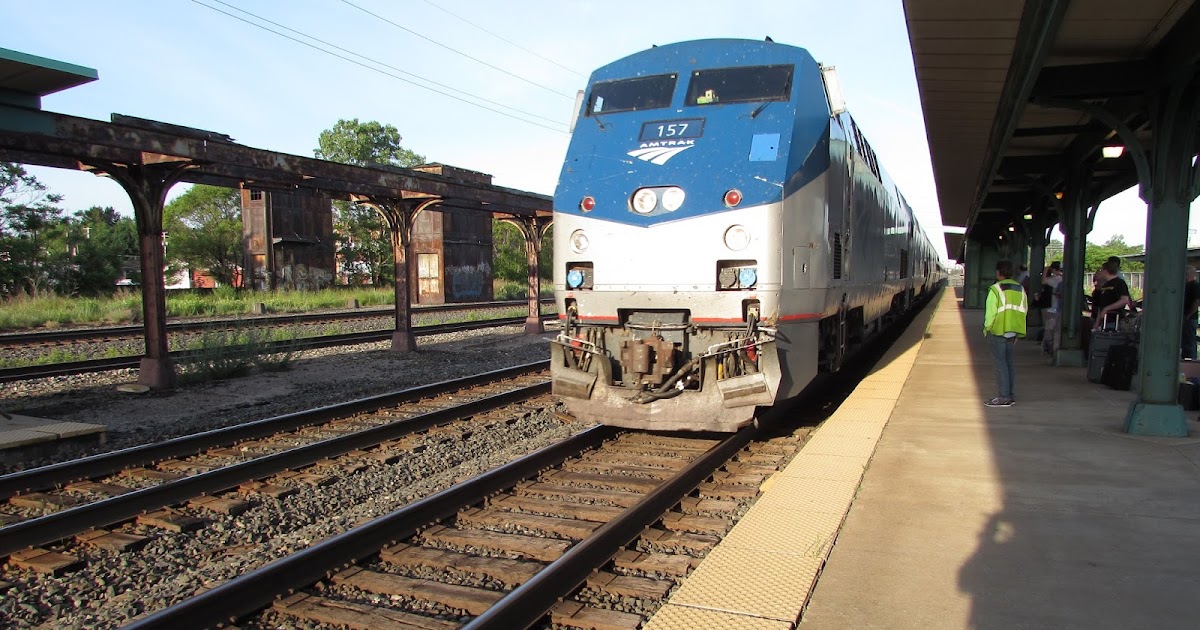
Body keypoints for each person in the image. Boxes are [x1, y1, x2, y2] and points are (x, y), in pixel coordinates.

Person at [984, 260, 1028, 407]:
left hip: (998, 330)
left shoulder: (995, 289)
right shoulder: (1020, 289)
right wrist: (1018, 332)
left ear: (998, 272)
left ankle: (1003, 397)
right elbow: (1024, 310)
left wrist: (987, 328)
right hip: (1013, 331)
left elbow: (990, 313)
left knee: (1000, 364)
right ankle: (1010, 395)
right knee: (1009, 364)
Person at [1092, 259, 1132, 331]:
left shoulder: (1120, 283)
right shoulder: (1105, 285)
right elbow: (1101, 306)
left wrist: (1107, 308)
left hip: (1115, 319)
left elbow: (1124, 300)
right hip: (1104, 320)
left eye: (1101, 270)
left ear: (1105, 271)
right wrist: (1097, 323)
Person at [1041, 261, 1063, 355]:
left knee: (1050, 330)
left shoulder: (1057, 278)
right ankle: (1054, 349)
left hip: (1055, 309)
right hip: (1060, 308)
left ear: (1053, 269)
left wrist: (1045, 270)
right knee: (1057, 331)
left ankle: (1051, 349)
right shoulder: (1063, 278)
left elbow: (1043, 281)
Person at [1183, 266, 1199, 359]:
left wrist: (1188, 315)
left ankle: (1191, 360)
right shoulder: (1186, 285)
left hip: (1190, 318)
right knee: (1186, 341)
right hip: (1186, 317)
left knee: (1190, 341)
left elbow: (1196, 302)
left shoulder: (1195, 285)